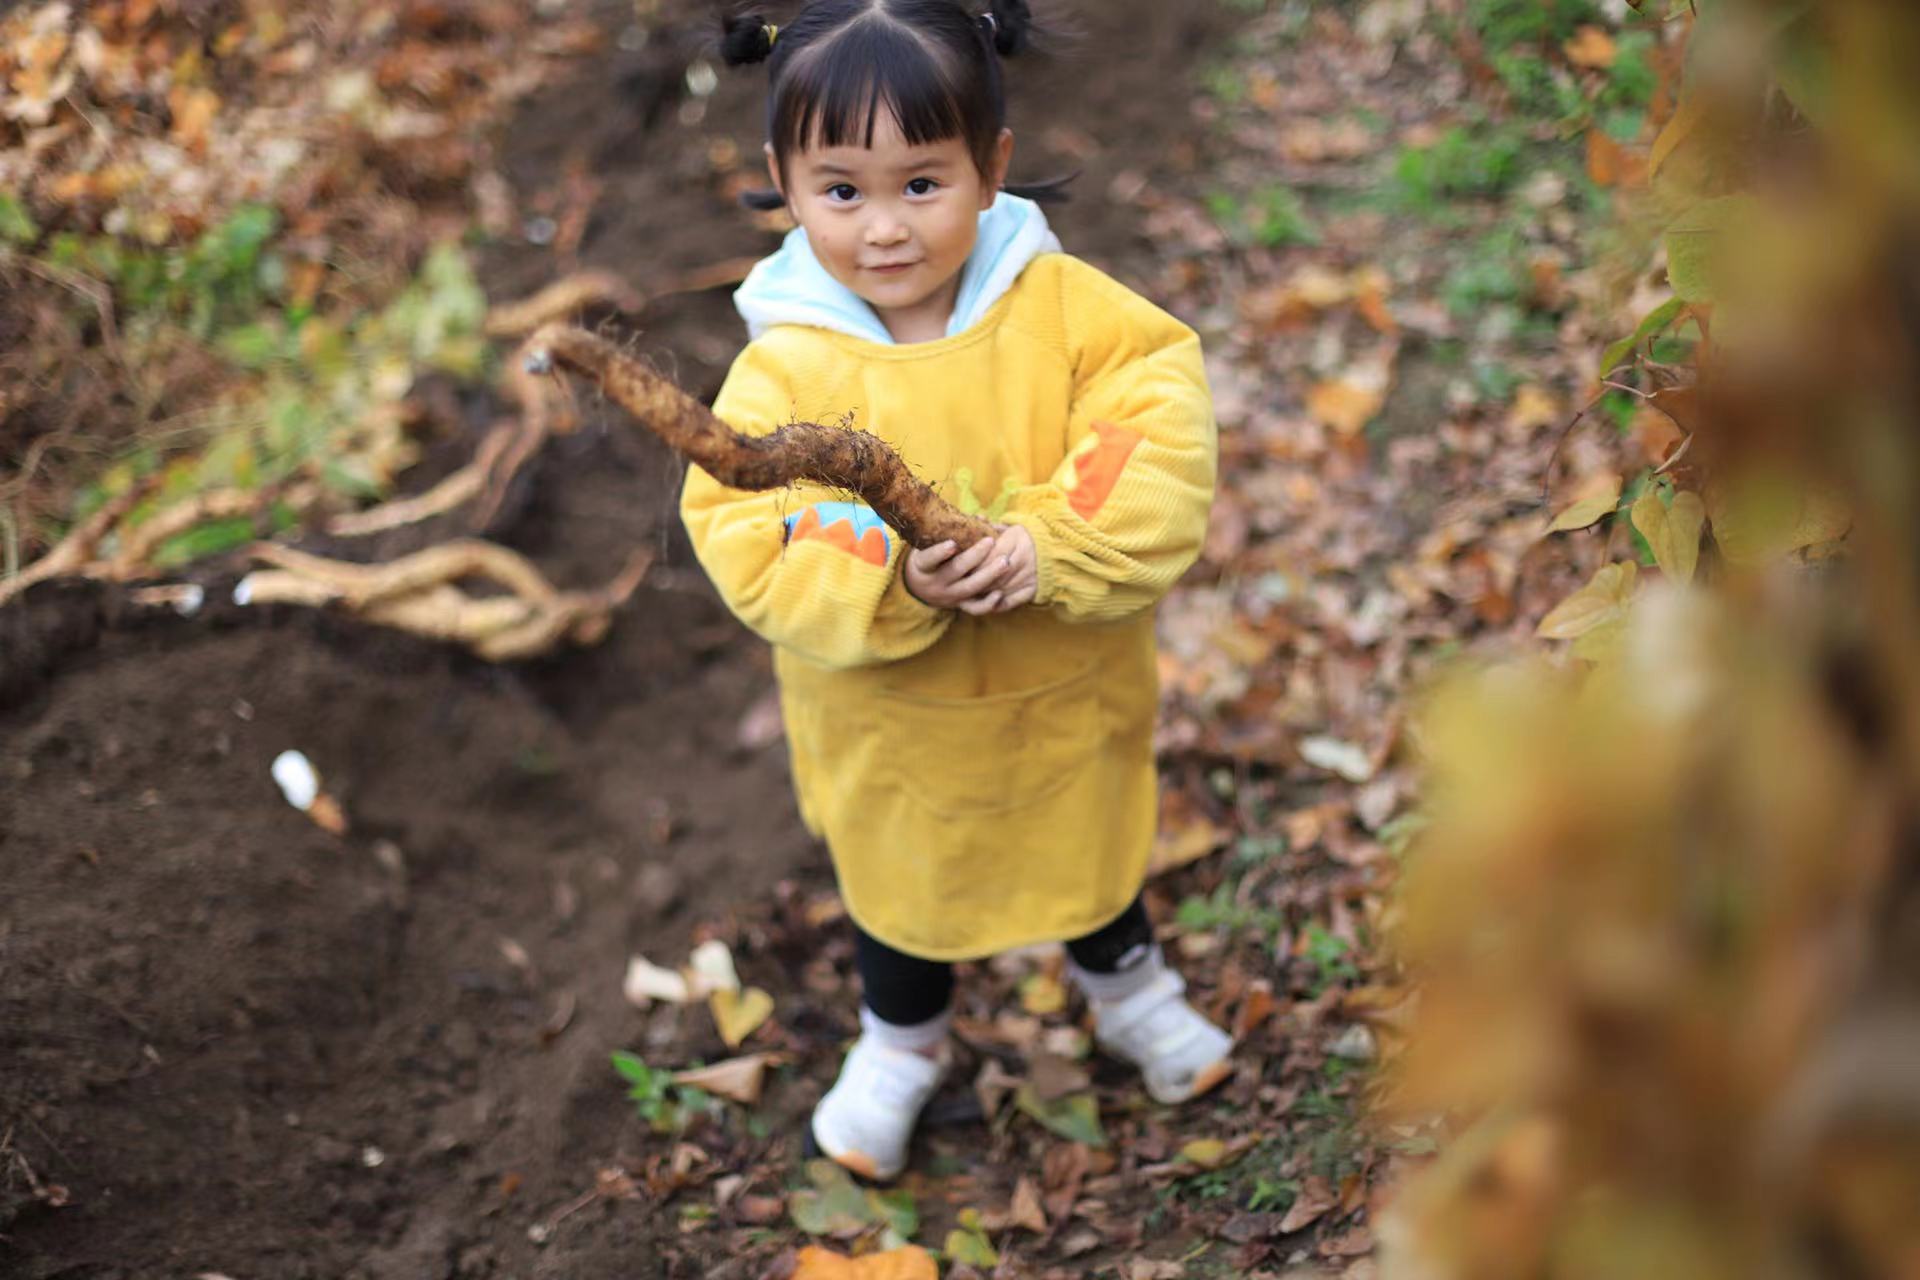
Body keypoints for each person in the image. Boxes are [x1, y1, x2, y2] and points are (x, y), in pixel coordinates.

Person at [681, 0, 1230, 1182]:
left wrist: (1049, 543)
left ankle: (1130, 990)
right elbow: (749, 526)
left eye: (922, 184)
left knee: (1083, 841)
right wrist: (894, 575)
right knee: (902, 880)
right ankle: (903, 1040)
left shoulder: (1068, 311)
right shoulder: (783, 365)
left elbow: (1150, 434)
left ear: (992, 165)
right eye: (842, 190)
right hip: (891, 721)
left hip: (1060, 682)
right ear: (784, 180)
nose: (885, 226)